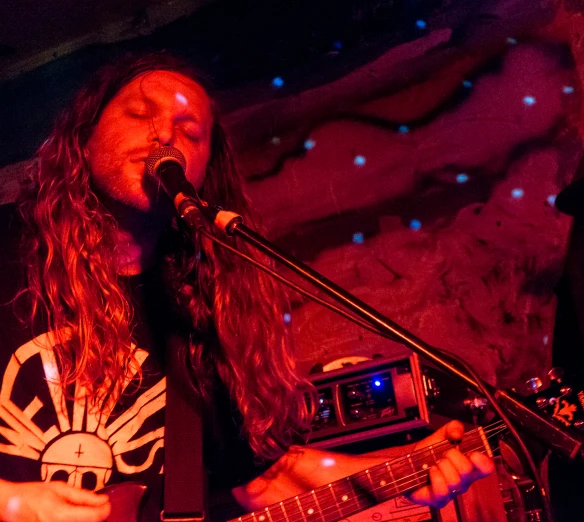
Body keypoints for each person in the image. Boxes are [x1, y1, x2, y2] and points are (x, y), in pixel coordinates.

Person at [0, 53, 493, 522]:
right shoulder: (9, 258)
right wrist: (14, 503)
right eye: (140, 114)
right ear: (84, 138)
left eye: (189, 132)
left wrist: (403, 470)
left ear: (203, 173)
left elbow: (261, 479)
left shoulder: (198, 313)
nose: (164, 136)